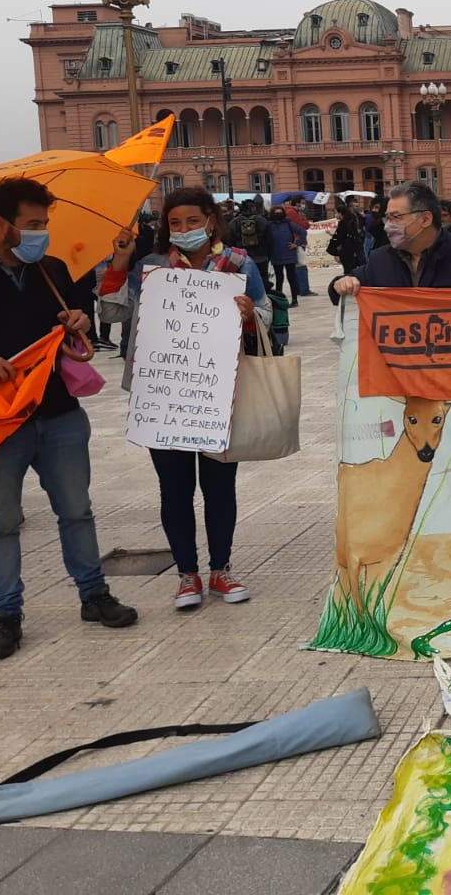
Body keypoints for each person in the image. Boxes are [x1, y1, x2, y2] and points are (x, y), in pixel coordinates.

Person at [0, 177, 138, 659]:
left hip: (58, 412)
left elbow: (76, 326)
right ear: (1, 224)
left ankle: (93, 594)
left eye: (45, 223)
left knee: (76, 511)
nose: (42, 233)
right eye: (33, 225)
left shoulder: (52, 270)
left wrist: (79, 323)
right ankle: (5, 615)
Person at [113, 187, 267, 611]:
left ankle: (221, 569)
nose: (183, 230)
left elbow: (268, 311)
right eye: (175, 223)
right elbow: (111, 314)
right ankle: (187, 575)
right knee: (174, 490)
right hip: (164, 395)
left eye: (192, 222)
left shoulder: (238, 264)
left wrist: (251, 315)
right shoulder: (151, 268)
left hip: (219, 395)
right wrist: (120, 260)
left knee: (220, 487)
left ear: (211, 221)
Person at [268, 206, 307, 305]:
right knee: (279, 278)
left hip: (289, 254)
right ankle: (279, 300)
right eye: (276, 213)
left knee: (292, 278)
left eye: (280, 213)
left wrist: (296, 243)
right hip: (276, 255)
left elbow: (303, 232)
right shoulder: (269, 225)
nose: (278, 215)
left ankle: (294, 300)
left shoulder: (288, 223)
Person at [282, 196, 317, 296]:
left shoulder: (289, 212)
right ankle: (304, 289)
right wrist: (305, 219)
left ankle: (298, 289)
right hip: (297, 242)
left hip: (294, 241)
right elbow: (304, 225)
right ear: (297, 203)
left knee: (295, 268)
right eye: (302, 203)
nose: (303, 205)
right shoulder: (292, 213)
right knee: (301, 266)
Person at [329, 200, 366, 274]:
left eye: (336, 213)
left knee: (349, 270)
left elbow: (339, 238)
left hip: (348, 249)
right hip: (355, 247)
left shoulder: (344, 222)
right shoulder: (352, 219)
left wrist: (335, 253)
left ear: (340, 213)